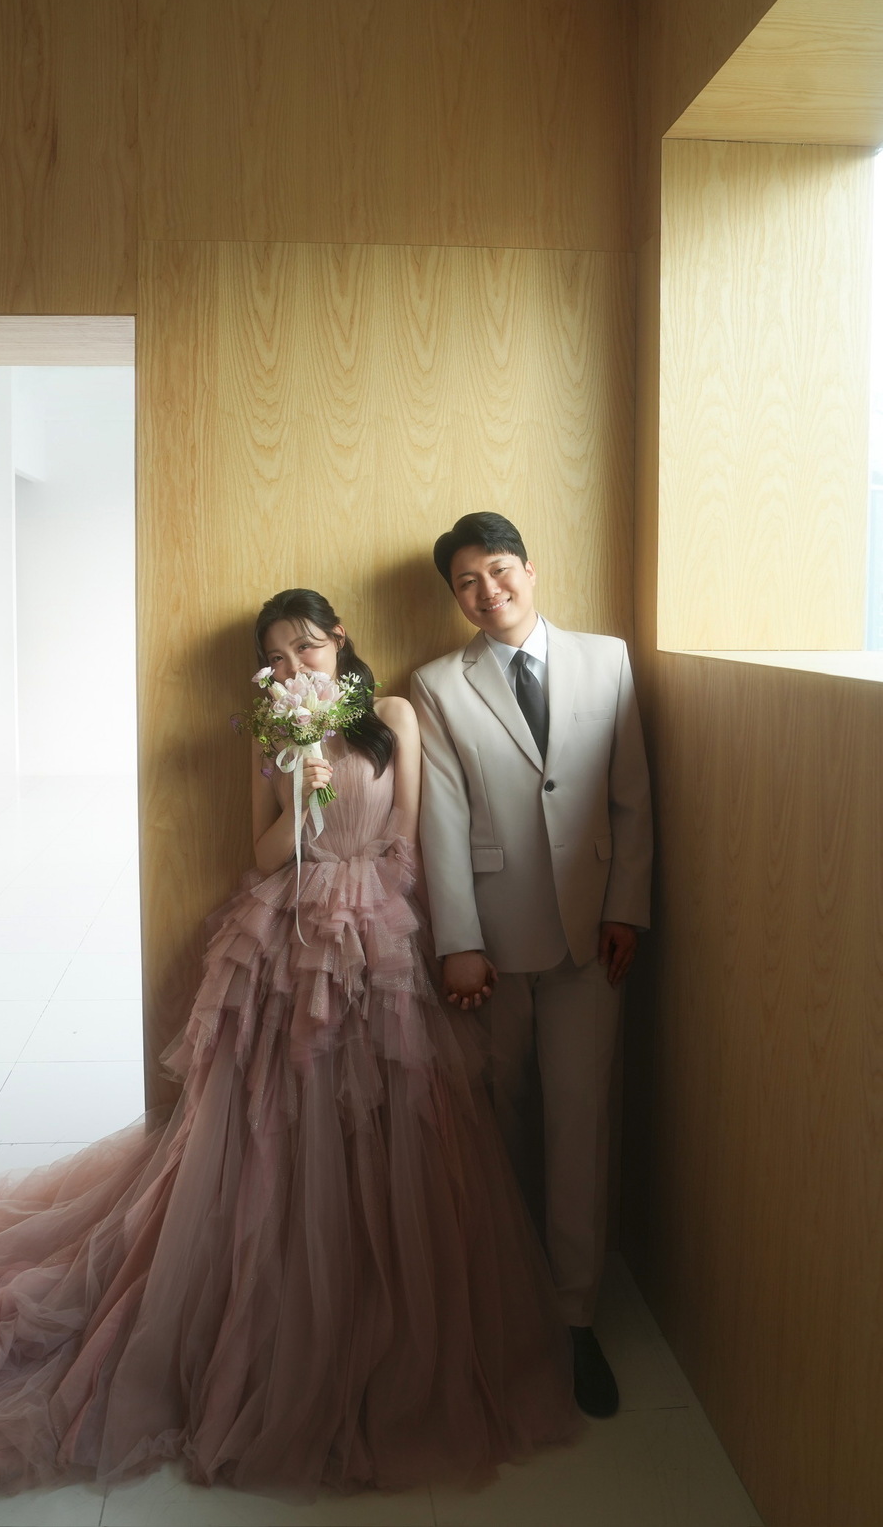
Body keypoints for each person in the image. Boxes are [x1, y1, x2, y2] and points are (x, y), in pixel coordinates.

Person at [0, 587, 577, 1510]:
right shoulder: (271, 729)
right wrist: (304, 791)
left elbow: (409, 841)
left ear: (340, 640)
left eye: (306, 648)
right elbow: (263, 855)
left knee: (399, 1113)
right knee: (275, 1114)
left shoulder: (396, 715)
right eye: (276, 658)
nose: (293, 668)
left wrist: (393, 920)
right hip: (288, 928)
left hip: (383, 929)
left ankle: (382, 1303)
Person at [410, 515, 653, 1420]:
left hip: (593, 938)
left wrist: (628, 905)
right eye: (467, 582)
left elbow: (631, 794)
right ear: (455, 596)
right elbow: (439, 818)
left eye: (499, 570)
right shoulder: (438, 683)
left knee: (581, 1120)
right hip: (493, 948)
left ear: (530, 569)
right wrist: (457, 940)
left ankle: (575, 1318)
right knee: (503, 1116)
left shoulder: (608, 659)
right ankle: (511, 1302)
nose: (488, 591)